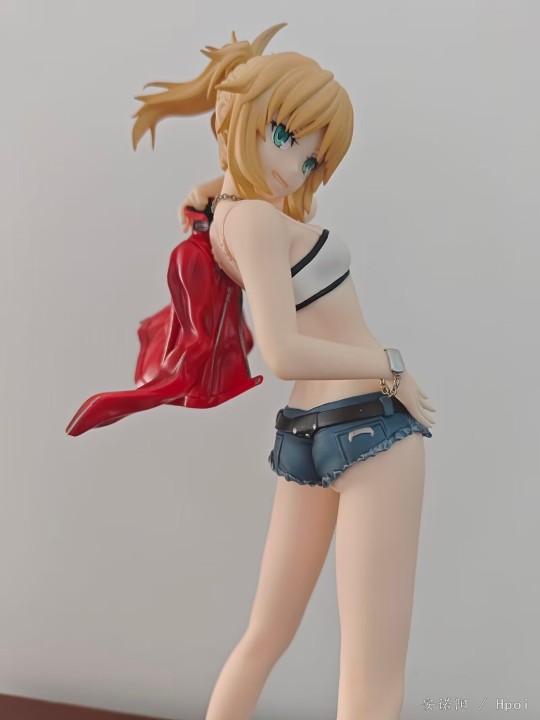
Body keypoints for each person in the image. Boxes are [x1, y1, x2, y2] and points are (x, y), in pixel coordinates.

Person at [68, 22, 436, 720]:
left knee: (264, 639)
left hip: (306, 431)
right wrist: (390, 367)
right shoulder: (259, 224)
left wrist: (229, 149)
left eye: (311, 158)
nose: (294, 167)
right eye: (285, 136)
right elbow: (282, 350)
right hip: (372, 424)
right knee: (372, 676)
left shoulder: (222, 214)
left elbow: (215, 185)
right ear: (249, 116)